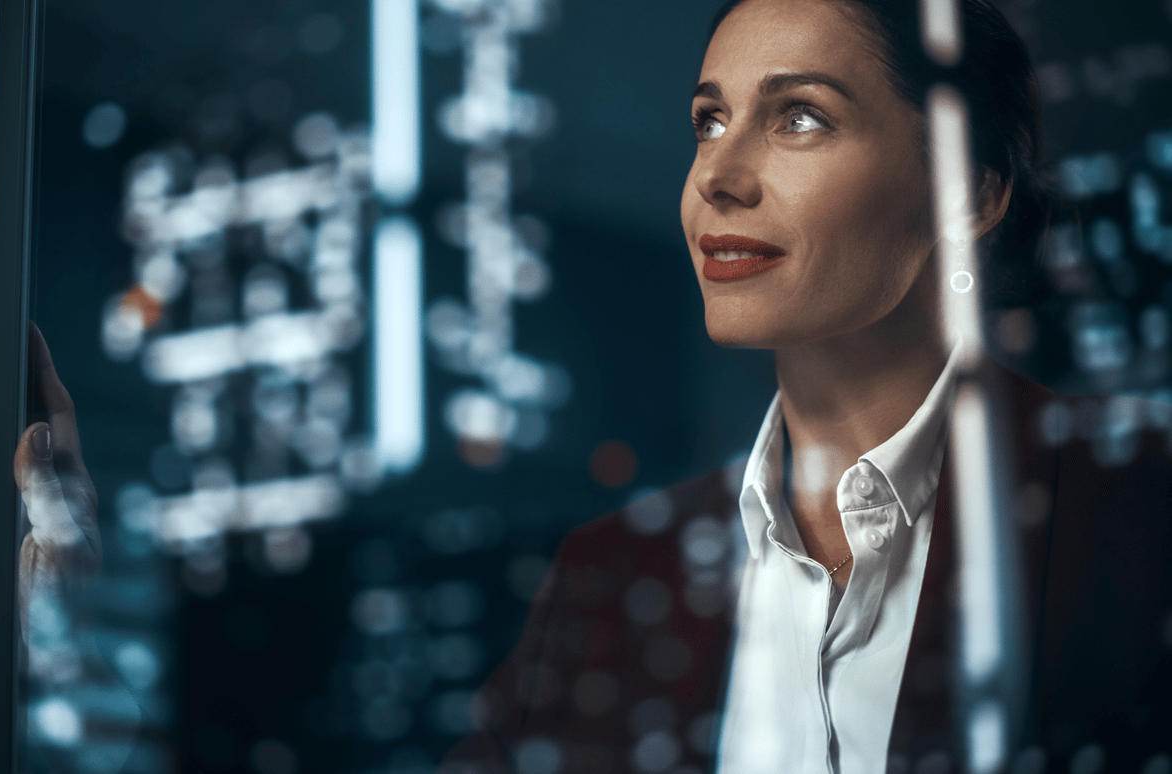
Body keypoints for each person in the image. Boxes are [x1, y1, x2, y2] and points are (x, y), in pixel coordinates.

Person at [440, 0, 1172, 772]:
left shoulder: (1139, 510)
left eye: (799, 119)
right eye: (709, 121)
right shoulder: (607, 578)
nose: (717, 177)